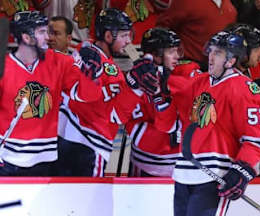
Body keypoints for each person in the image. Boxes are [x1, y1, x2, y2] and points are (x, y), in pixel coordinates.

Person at [155, 31, 260, 216]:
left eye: (216, 53)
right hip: (185, 172)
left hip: (214, 173)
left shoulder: (244, 89)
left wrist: (241, 171)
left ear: (231, 60)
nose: (210, 57)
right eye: (210, 51)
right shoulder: (199, 82)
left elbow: (255, 140)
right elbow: (168, 116)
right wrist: (160, 82)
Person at [56, 8, 158, 176]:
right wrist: (134, 89)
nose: (128, 42)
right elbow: (115, 116)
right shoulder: (110, 71)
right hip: (89, 146)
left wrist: (133, 86)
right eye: (124, 36)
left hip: (69, 138)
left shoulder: (86, 50)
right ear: (109, 36)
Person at [0, 10, 101, 176]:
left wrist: (90, 76)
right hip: (6, 160)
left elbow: (87, 96)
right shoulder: (4, 67)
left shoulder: (60, 62)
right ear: (26, 38)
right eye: (42, 32)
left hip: (44, 161)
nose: (48, 37)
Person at [126, 27, 191, 177]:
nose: (176, 56)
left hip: (178, 165)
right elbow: (133, 124)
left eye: (177, 51)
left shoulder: (181, 81)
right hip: (146, 164)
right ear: (155, 54)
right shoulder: (137, 84)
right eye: (170, 51)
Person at [156, 0, 237, 66]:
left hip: (216, 69)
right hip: (185, 67)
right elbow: (162, 29)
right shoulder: (186, 2)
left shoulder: (230, 7)